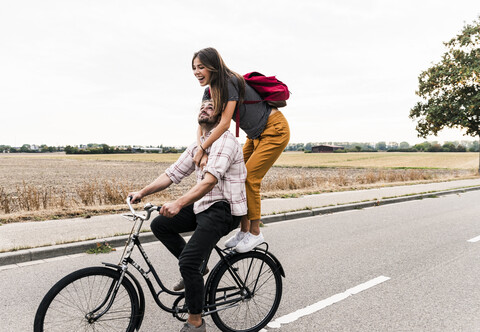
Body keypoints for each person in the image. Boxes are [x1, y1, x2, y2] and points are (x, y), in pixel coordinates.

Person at [128, 100, 247, 332]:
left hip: (224, 209)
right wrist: (142, 192)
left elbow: (210, 180)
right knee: (161, 224)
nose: (204, 108)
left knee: (188, 262)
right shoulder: (199, 145)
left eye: (211, 106)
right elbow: (173, 173)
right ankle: (199, 269)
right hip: (204, 205)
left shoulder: (225, 141)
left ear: (223, 115)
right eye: (202, 106)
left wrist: (179, 203)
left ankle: (196, 322)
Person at [192, 47, 290, 253]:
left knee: (249, 178)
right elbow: (203, 122)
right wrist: (201, 150)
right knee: (234, 176)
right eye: (194, 68)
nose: (196, 72)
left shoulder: (229, 82)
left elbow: (225, 122)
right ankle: (244, 231)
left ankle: (255, 233)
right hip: (255, 136)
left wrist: (203, 148)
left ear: (213, 66)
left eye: (201, 67)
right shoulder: (209, 91)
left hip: (274, 129)